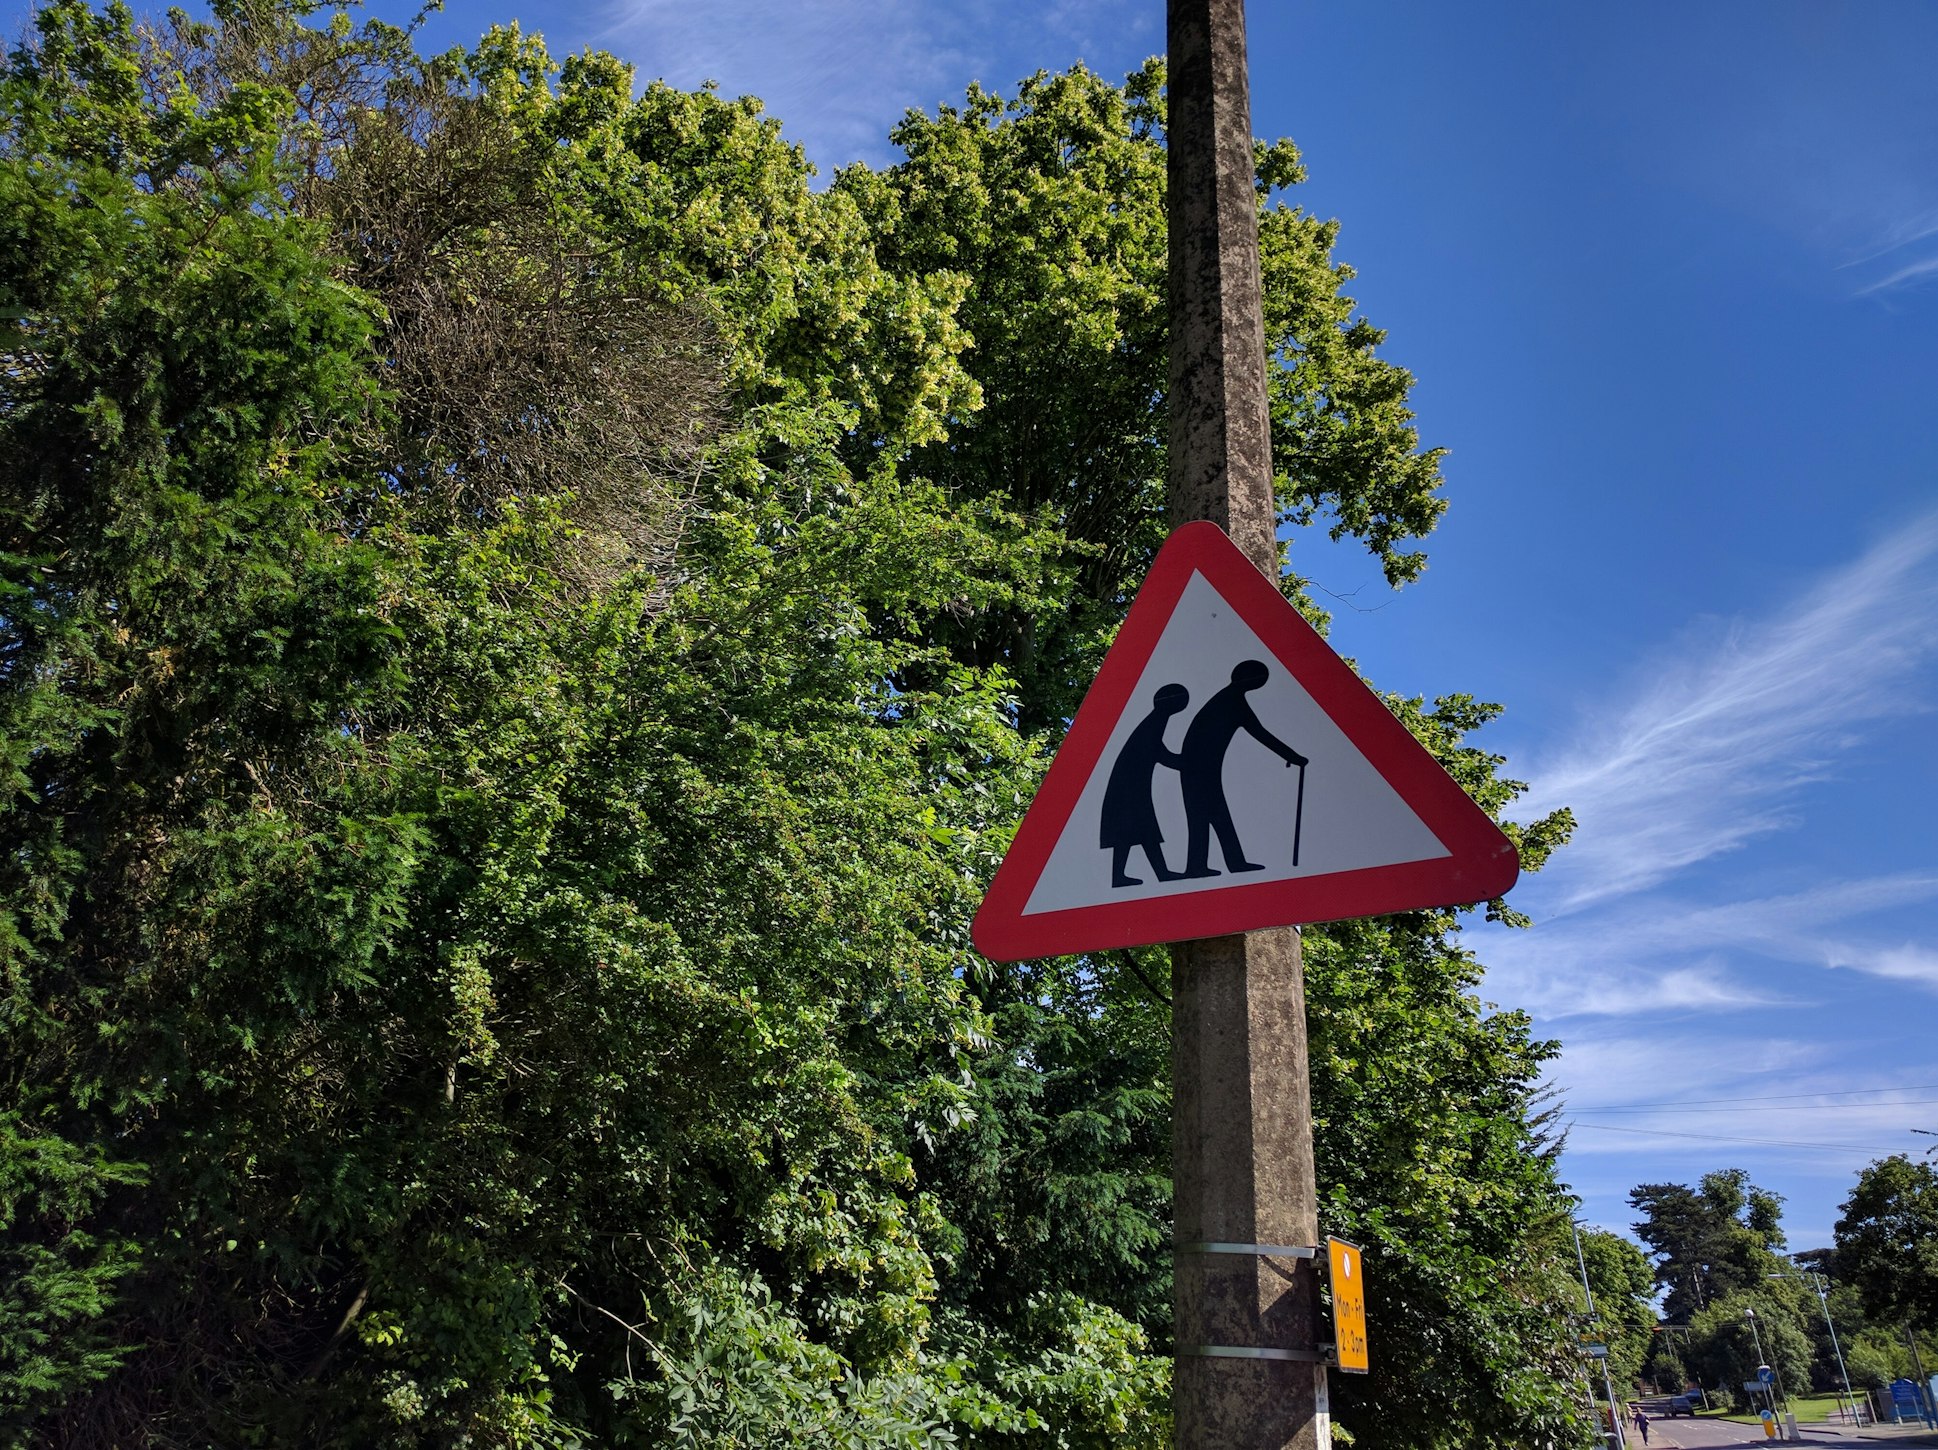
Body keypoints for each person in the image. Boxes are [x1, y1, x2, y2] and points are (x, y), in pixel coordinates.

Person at [1177, 659, 1307, 878]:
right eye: (1258, 679)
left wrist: (1292, 756)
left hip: (1199, 768)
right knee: (1208, 816)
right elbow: (1261, 734)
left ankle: (1215, 864)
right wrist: (1292, 756)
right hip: (1199, 769)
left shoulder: (1227, 699)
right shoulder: (1232, 702)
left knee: (1211, 816)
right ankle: (1208, 865)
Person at [1098, 683, 1190, 887]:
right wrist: (1187, 763)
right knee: (1136, 830)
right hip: (1129, 789)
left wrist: (1182, 762)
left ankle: (1156, 873)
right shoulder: (1155, 722)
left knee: (1138, 830)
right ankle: (1140, 875)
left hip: (1131, 786)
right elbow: (1159, 752)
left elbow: (1157, 751)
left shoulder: (1155, 720)